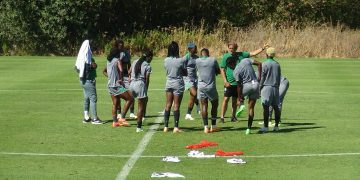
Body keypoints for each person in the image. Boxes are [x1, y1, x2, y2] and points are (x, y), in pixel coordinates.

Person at [220, 43, 269, 123]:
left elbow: (253, 53)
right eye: (229, 48)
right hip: (229, 83)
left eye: (232, 48)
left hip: (239, 83)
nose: (231, 50)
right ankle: (222, 117)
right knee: (226, 99)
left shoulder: (241, 55)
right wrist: (225, 81)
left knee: (235, 101)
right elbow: (222, 69)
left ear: (236, 48)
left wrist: (262, 48)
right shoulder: (225, 56)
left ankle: (233, 117)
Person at [103, 41, 134, 127]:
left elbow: (106, 71)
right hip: (116, 86)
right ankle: (122, 118)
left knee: (115, 103)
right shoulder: (117, 60)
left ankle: (114, 122)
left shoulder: (108, 61)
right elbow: (121, 70)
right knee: (130, 99)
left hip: (110, 86)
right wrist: (120, 79)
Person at [75, 40, 103, 124]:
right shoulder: (87, 59)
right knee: (93, 98)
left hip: (83, 80)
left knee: (87, 98)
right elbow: (93, 65)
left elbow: (77, 68)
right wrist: (90, 67)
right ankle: (95, 119)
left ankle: (86, 117)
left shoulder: (81, 58)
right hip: (88, 81)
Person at [233, 57, 262, 135]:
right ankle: (248, 128)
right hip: (256, 84)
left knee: (237, 97)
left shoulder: (236, 71)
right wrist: (259, 77)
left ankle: (241, 105)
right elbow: (259, 64)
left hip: (247, 86)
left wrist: (239, 98)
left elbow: (239, 86)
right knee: (251, 108)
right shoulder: (246, 60)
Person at [163, 41, 187, 133]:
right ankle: (176, 127)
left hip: (169, 82)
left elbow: (166, 69)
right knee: (176, 105)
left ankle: (165, 126)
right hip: (178, 83)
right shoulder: (180, 60)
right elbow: (185, 72)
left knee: (168, 104)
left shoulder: (166, 60)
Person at [196, 48, 221, 133]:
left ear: (201, 54)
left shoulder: (197, 61)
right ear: (208, 54)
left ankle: (205, 127)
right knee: (215, 104)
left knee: (204, 106)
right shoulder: (213, 60)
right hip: (211, 86)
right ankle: (213, 126)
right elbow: (218, 71)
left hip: (201, 87)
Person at [129, 50, 153, 132]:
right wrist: (146, 88)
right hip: (140, 84)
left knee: (136, 101)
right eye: (151, 58)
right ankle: (138, 127)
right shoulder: (148, 65)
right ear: (148, 57)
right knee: (140, 107)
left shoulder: (135, 61)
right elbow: (147, 79)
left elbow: (129, 72)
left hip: (132, 84)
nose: (151, 60)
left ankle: (123, 116)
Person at [259, 47, 282, 133]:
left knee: (265, 108)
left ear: (266, 54)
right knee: (276, 107)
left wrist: (260, 88)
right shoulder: (277, 64)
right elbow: (279, 77)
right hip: (275, 88)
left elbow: (262, 78)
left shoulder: (264, 64)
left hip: (266, 87)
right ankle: (276, 126)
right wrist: (277, 87)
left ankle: (265, 127)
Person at [117, 40, 137, 119]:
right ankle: (119, 113)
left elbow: (129, 64)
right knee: (118, 95)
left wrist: (129, 76)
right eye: (119, 45)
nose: (121, 47)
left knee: (131, 93)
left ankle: (131, 112)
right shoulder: (115, 53)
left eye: (122, 45)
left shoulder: (126, 53)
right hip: (118, 77)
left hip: (125, 76)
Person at [184, 42, 200, 120]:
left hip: (195, 79)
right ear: (190, 49)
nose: (196, 49)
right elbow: (181, 68)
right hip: (187, 79)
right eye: (195, 48)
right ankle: (198, 105)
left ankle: (188, 114)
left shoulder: (197, 58)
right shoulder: (186, 57)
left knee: (192, 96)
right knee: (194, 93)